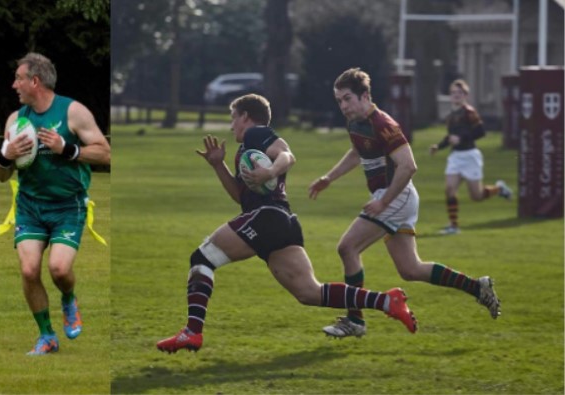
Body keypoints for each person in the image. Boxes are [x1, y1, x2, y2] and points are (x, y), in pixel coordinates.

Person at [156, 94, 417, 354]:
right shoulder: (248, 148)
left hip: (267, 216)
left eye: (233, 118)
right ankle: (386, 301)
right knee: (309, 293)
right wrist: (218, 165)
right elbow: (241, 197)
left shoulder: (256, 134)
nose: (231, 125)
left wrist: (270, 172)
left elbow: (287, 155)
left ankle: (192, 333)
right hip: (279, 220)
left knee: (202, 257)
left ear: (246, 116)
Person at [308, 68, 501, 339]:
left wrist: (384, 201)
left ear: (365, 96)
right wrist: (329, 178)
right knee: (410, 269)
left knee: (347, 247)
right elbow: (356, 152)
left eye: (347, 99)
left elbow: (409, 166)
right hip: (393, 199)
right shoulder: (355, 122)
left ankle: (355, 320)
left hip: (396, 197)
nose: (343, 106)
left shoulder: (384, 124)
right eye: (339, 100)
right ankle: (477, 287)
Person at [0, 53, 110, 355]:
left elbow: (105, 153)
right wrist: (6, 156)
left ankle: (68, 298)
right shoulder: (16, 121)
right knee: (29, 270)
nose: (13, 84)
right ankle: (47, 336)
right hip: (31, 207)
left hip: (67, 207)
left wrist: (67, 149)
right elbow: (0, 176)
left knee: (59, 269)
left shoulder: (73, 112)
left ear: (34, 81)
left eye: (19, 78)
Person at [429, 79, 512, 235]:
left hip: (470, 156)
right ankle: (453, 226)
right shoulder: (451, 115)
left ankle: (499, 188)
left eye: (459, 93)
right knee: (449, 189)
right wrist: (438, 147)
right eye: (453, 93)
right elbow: (450, 137)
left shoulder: (469, 112)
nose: (456, 96)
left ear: (465, 95)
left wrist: (461, 138)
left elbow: (480, 132)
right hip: (455, 157)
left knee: (477, 196)